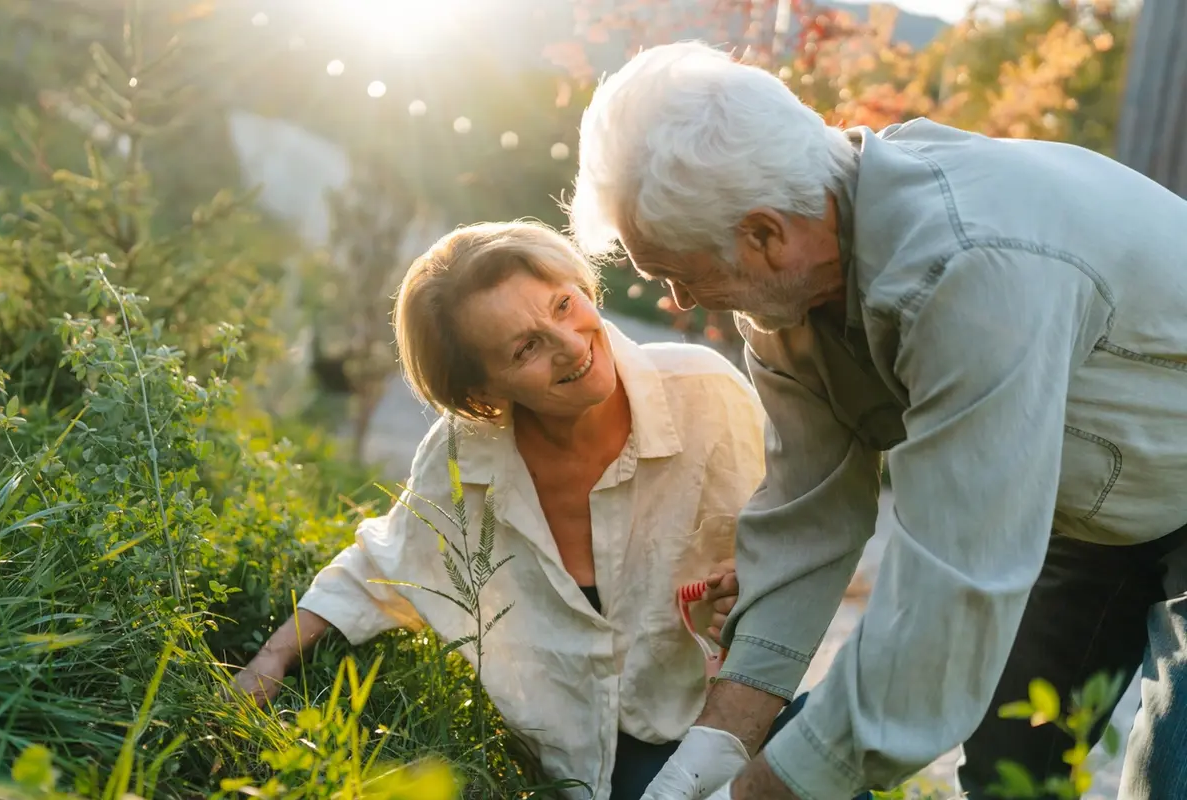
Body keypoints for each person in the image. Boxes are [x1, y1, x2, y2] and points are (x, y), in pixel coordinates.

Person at [566, 41, 1187, 800]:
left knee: (1171, 777)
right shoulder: (788, 302)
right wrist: (708, 756)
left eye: (675, 271)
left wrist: (764, 791)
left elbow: (948, 589)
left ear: (764, 234)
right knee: (1007, 773)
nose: (682, 302)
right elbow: (807, 521)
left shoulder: (970, 268)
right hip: (1089, 505)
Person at [229, 221, 844, 800]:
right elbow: (381, 564)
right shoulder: (461, 460)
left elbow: (794, 537)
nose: (572, 344)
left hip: (733, 715)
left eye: (563, 305)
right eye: (526, 348)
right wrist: (272, 657)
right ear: (481, 393)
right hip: (597, 765)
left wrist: (750, 589)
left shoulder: (706, 392)